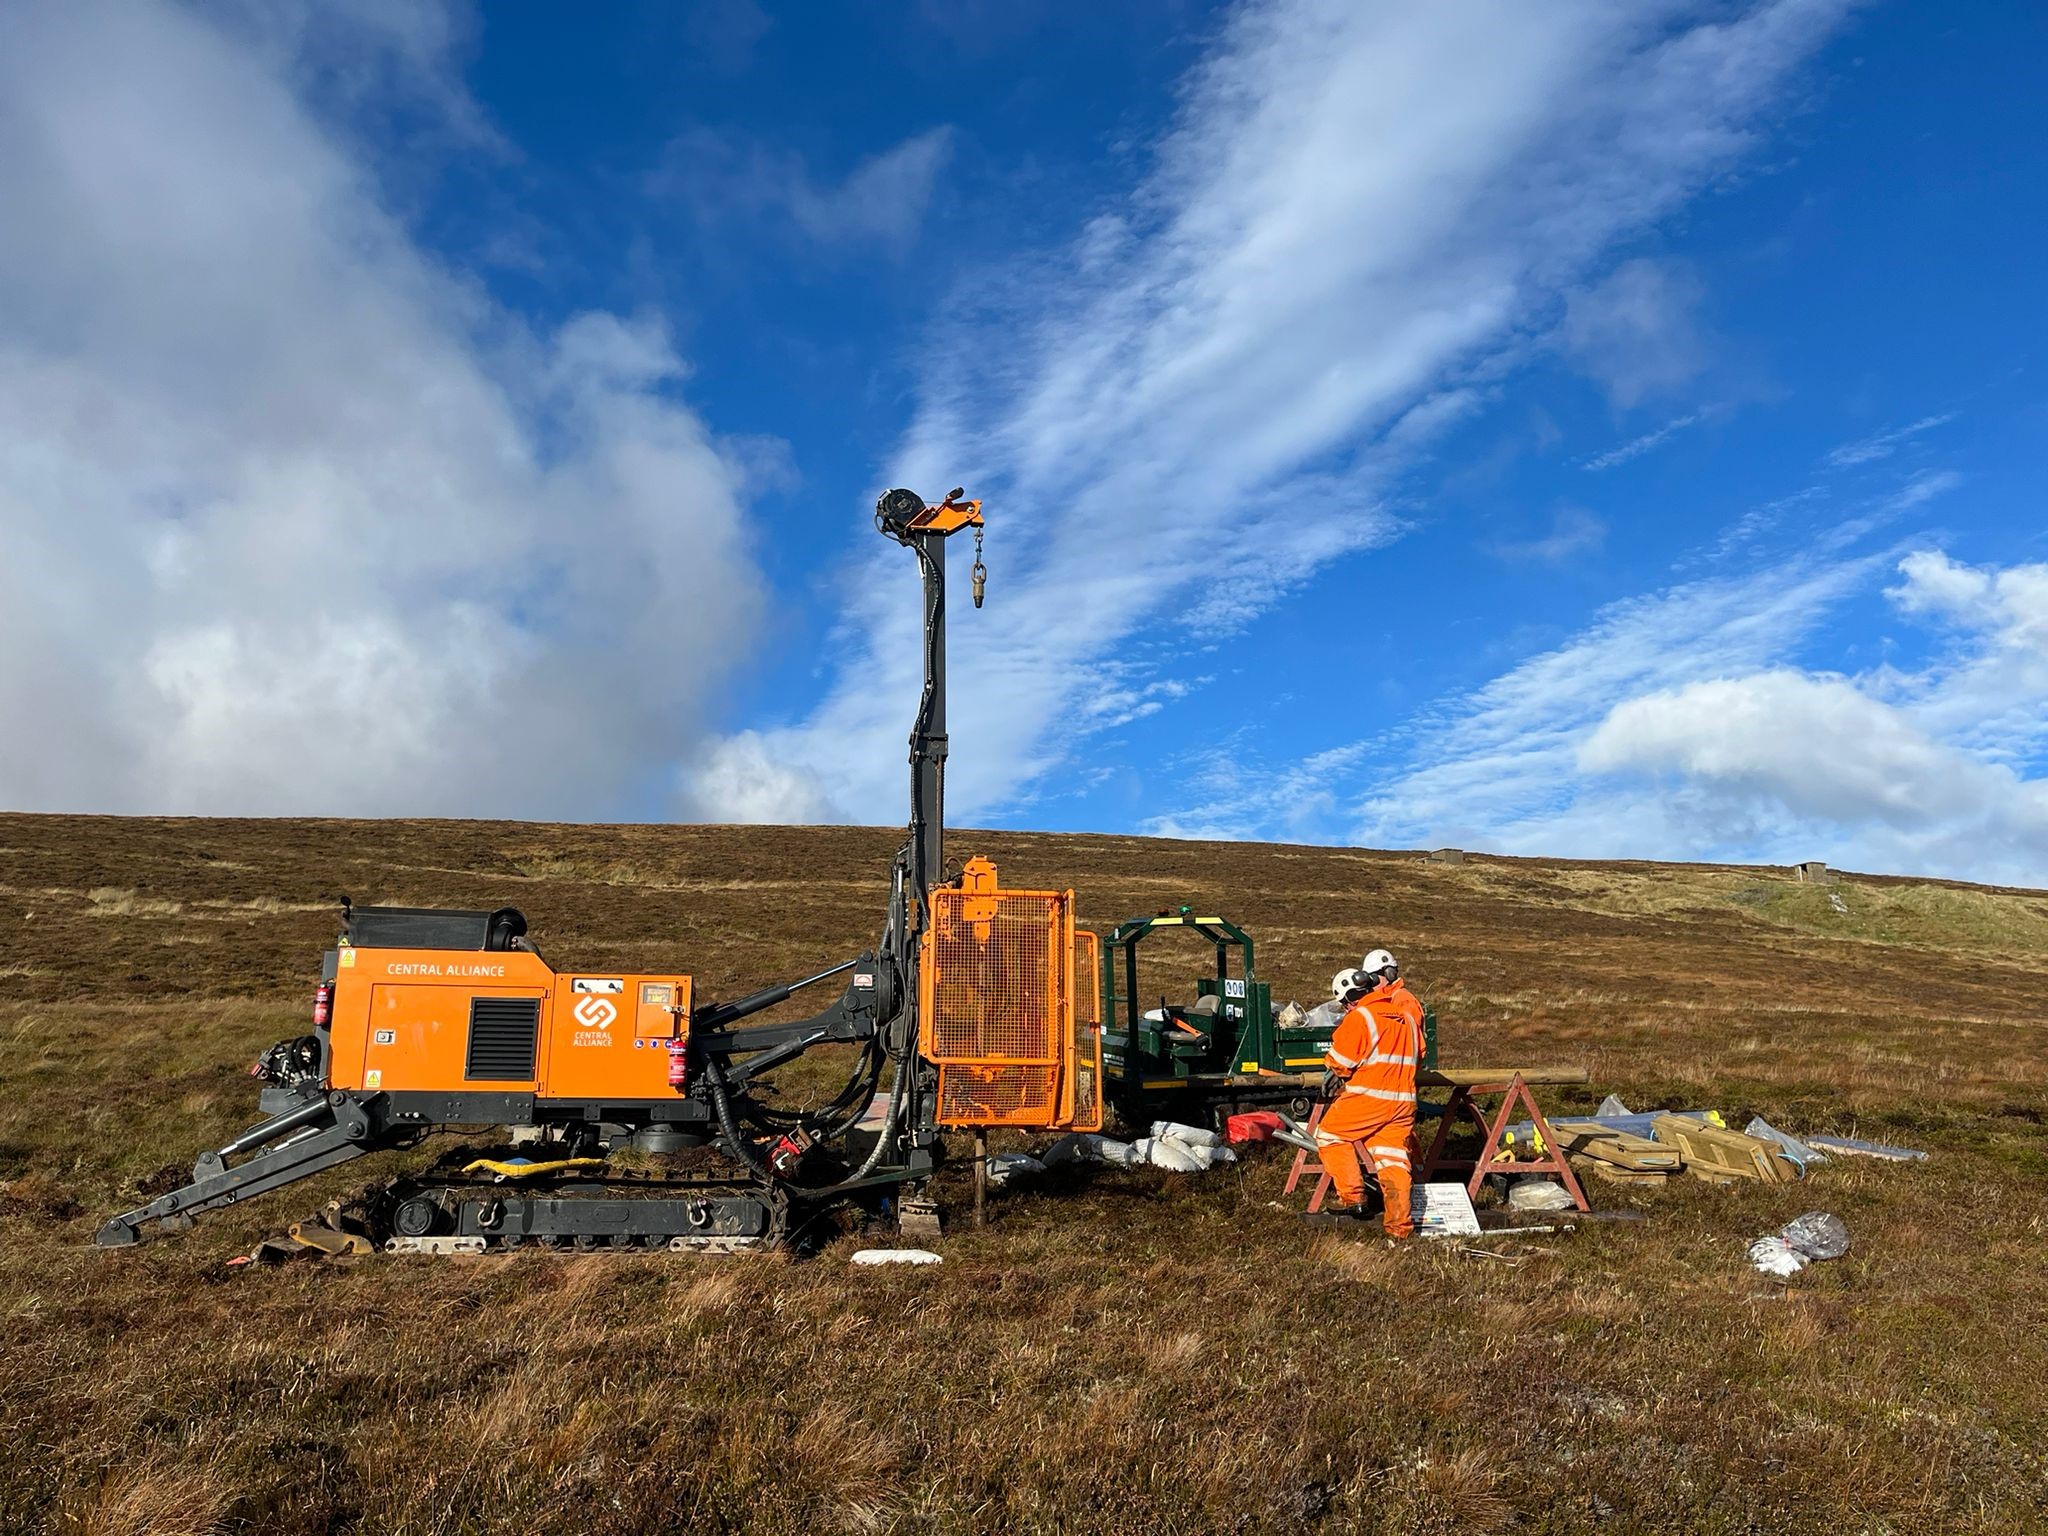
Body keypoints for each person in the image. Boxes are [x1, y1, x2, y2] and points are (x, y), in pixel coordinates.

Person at [1312, 947, 1424, 1238]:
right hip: (1404, 1102)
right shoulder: (1407, 1019)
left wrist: (1334, 1070)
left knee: (1330, 1135)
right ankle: (1400, 1228)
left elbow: (1340, 1061)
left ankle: (1353, 1197)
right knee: (1393, 1160)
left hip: (1370, 1097)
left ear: (1350, 999)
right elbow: (1419, 1054)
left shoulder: (1362, 1017)